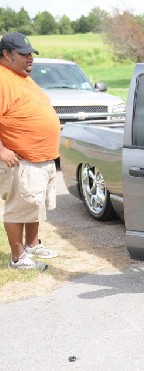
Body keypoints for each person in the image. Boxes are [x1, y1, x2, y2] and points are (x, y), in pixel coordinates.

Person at [0, 32, 61, 271]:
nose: (30, 59)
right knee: (18, 208)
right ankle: (18, 258)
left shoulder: (20, 76)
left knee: (33, 204)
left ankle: (33, 245)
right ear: (6, 54)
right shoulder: (2, 79)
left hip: (41, 158)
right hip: (21, 161)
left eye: (31, 54)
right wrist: (1, 151)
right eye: (24, 54)